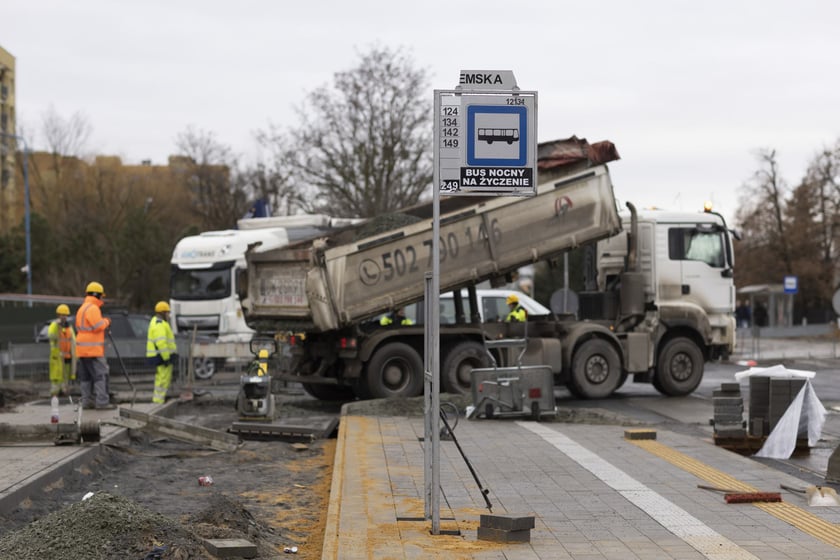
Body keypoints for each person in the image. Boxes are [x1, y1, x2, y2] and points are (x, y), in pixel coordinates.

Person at [75, 282, 114, 410]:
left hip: (82, 350)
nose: (102, 298)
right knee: (100, 375)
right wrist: (107, 321)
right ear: (97, 295)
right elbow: (97, 326)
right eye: (101, 296)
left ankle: (87, 402)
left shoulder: (82, 308)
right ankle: (102, 402)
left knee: (86, 377)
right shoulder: (93, 308)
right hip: (93, 350)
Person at [146, 301, 177, 405]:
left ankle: (159, 400)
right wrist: (167, 358)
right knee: (163, 379)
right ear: (163, 312)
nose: (168, 315)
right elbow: (161, 343)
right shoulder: (159, 324)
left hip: (161, 356)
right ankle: (158, 401)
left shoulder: (158, 322)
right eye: (167, 312)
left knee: (161, 379)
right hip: (162, 357)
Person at [48, 304, 77, 396]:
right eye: (62, 314)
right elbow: (51, 336)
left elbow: (73, 340)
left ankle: (64, 391)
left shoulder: (69, 327)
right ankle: (54, 392)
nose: (63, 317)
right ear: (58, 315)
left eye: (65, 315)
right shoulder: (54, 325)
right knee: (56, 375)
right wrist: (58, 327)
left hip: (67, 355)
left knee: (66, 375)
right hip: (57, 356)